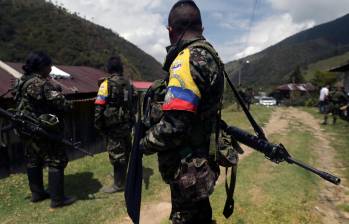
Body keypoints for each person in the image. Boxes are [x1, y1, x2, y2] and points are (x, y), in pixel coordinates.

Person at [140, 1, 224, 223]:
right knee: (201, 214)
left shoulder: (187, 60)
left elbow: (174, 126)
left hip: (188, 169)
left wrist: (143, 143)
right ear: (201, 28)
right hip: (200, 163)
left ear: (170, 31)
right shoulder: (210, 56)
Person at [13, 51, 76, 208]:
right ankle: (57, 199)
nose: (51, 68)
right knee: (56, 160)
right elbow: (63, 105)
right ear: (42, 66)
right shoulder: (42, 84)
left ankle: (37, 193)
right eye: (49, 65)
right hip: (43, 130)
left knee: (33, 159)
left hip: (26, 128)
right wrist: (68, 101)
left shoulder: (20, 82)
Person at [94, 56, 135, 193]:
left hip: (112, 125)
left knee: (117, 154)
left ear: (109, 69)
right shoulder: (129, 84)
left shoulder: (106, 84)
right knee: (126, 150)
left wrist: (98, 125)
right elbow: (133, 102)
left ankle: (118, 184)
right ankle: (123, 178)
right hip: (126, 124)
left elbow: (99, 106)